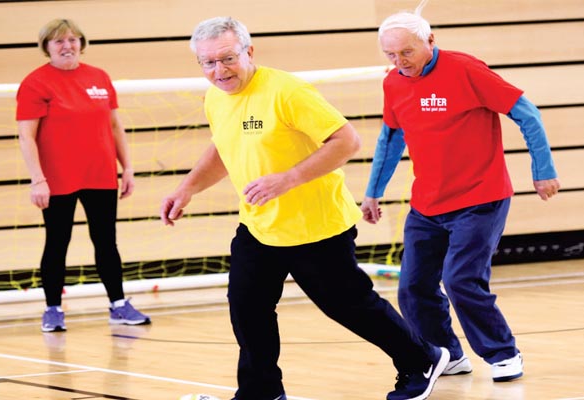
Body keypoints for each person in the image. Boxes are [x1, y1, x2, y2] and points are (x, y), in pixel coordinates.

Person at [160, 16, 449, 400]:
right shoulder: (216, 95)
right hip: (260, 225)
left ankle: (422, 359)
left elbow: (347, 141)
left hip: (317, 225)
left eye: (227, 59)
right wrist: (187, 189)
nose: (219, 70)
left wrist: (289, 178)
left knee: (349, 306)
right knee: (247, 307)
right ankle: (261, 391)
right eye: (208, 63)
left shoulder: (286, 91)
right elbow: (223, 146)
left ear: (249, 51)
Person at [361, 3, 560, 383]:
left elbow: (527, 113)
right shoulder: (393, 82)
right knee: (414, 286)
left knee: (460, 279)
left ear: (430, 40)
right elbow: (390, 138)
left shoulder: (466, 69)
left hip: (480, 198)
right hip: (427, 205)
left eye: (407, 51)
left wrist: (543, 170)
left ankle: (503, 353)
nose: (400, 61)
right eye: (390, 54)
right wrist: (373, 192)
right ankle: (447, 355)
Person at [17, 19, 150, 332]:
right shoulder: (35, 83)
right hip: (58, 179)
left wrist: (126, 167)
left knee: (106, 243)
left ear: (81, 43)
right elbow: (26, 136)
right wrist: (38, 179)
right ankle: (52, 309)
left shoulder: (99, 77)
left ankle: (118, 305)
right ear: (46, 47)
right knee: (57, 243)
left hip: (101, 175)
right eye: (59, 41)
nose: (67, 46)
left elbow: (115, 126)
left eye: (73, 39)